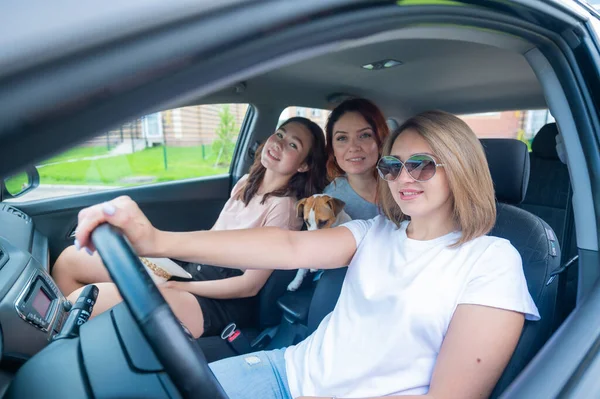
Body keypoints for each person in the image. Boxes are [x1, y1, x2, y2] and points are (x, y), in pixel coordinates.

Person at [74, 110, 539, 399]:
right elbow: (289, 246)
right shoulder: (374, 231)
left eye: (422, 164)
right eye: (394, 166)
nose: (403, 177)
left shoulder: (492, 260)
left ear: (460, 168)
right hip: (283, 372)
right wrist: (156, 241)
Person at [51, 116, 328, 338]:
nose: (279, 143)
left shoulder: (285, 208)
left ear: (304, 165)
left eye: (293, 145)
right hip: (192, 272)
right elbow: (213, 238)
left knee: (84, 301)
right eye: (280, 134)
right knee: (70, 261)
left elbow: (249, 286)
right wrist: (166, 266)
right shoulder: (246, 182)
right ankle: (75, 343)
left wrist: (181, 289)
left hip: (221, 299)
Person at [323, 98, 389, 220]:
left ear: (381, 142)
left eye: (365, 135)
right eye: (342, 138)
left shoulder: (402, 184)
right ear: (332, 149)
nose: (353, 147)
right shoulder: (328, 202)